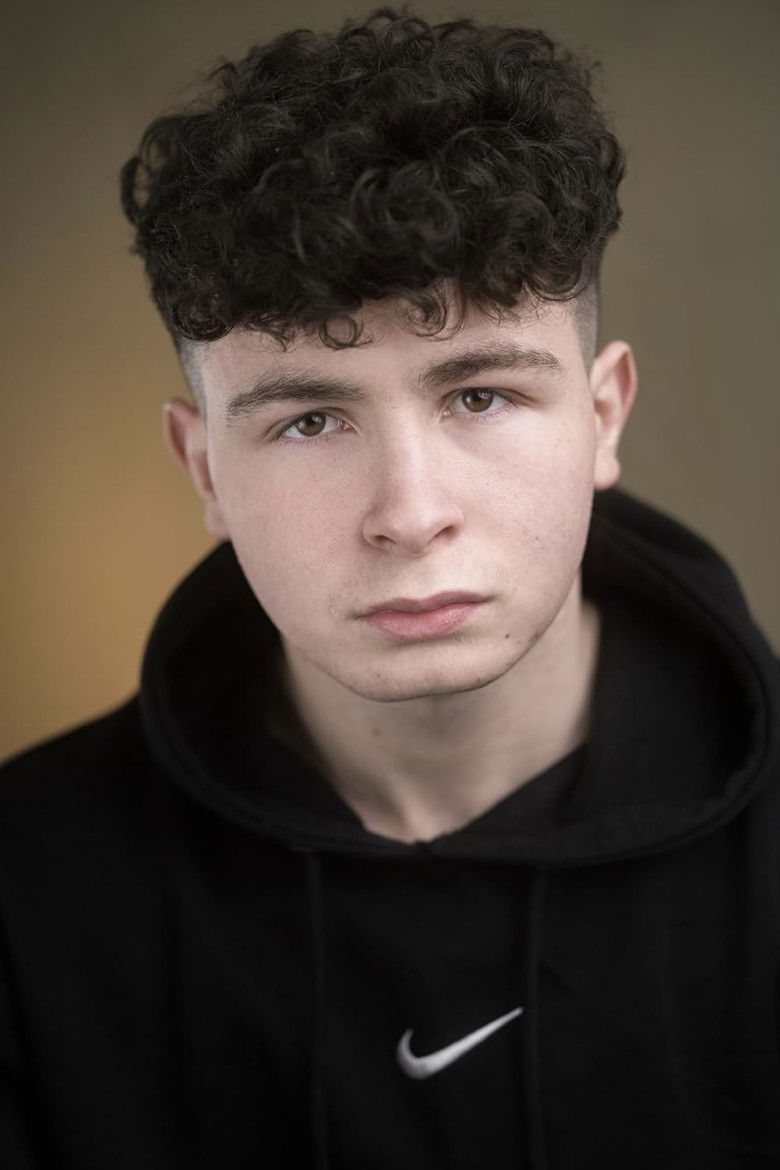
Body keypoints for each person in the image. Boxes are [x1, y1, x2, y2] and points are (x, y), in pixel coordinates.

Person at [1, 6, 778, 1168]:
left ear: (603, 416)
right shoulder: (26, 891)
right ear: (205, 470)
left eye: (481, 396)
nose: (409, 515)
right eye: (311, 420)